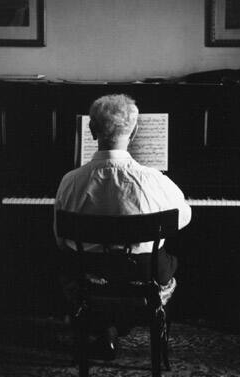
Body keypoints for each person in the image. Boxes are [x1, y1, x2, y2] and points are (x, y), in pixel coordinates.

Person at [54, 94, 191, 358]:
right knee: (168, 260)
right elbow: (182, 219)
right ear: (136, 131)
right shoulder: (155, 180)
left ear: (92, 130)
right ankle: (122, 325)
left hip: (88, 281)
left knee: (71, 267)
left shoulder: (69, 181)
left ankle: (106, 328)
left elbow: (61, 240)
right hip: (145, 278)